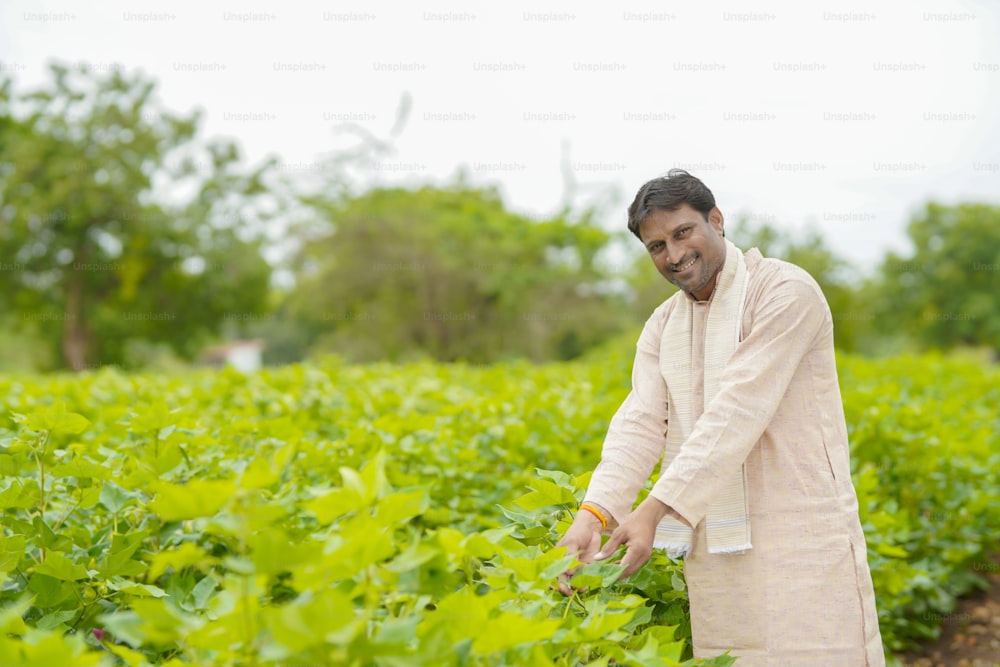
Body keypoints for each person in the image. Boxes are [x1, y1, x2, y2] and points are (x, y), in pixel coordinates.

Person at [556, 169, 885, 666]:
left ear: (716, 219)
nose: (672, 254)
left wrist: (652, 510)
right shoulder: (664, 324)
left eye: (682, 232)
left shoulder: (785, 292)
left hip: (802, 538)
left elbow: (737, 411)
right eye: (656, 246)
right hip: (717, 543)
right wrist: (594, 514)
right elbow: (641, 423)